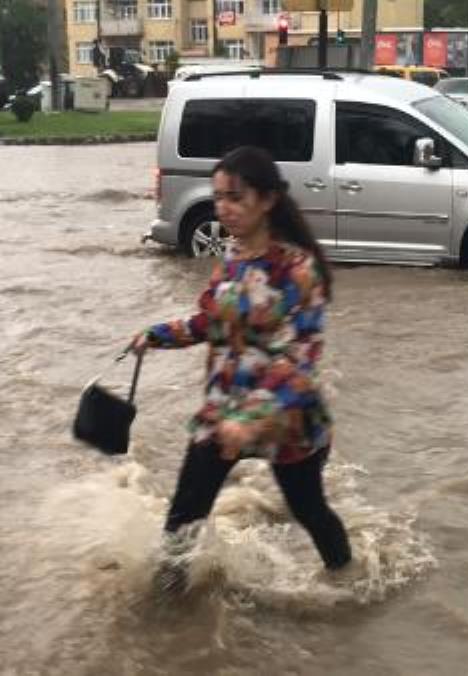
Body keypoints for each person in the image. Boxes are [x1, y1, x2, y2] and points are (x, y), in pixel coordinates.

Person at [131, 146, 352, 582]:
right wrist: (157, 335)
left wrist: (252, 423)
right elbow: (212, 323)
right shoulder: (231, 260)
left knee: (310, 510)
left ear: (267, 199)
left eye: (235, 197)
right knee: (182, 520)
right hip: (223, 410)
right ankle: (164, 616)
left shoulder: (299, 270)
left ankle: (347, 578)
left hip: (287, 420)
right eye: (218, 198)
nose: (223, 208)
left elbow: (300, 363)